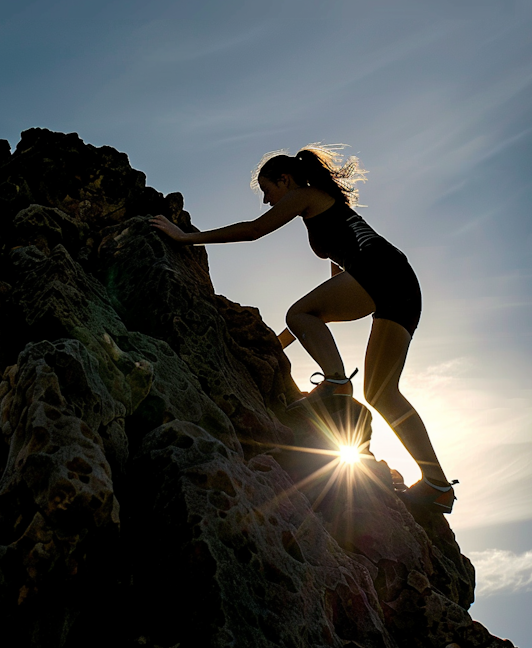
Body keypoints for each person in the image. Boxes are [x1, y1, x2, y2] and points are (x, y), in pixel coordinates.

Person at [150, 145, 457, 513]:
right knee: (381, 393)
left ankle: (337, 385)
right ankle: (438, 485)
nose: (266, 200)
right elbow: (331, 294)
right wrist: (281, 342)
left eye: (267, 190)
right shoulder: (323, 209)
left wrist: (183, 238)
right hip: (399, 284)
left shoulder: (306, 195)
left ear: (285, 179)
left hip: (383, 272)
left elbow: (253, 230)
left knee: (298, 313)